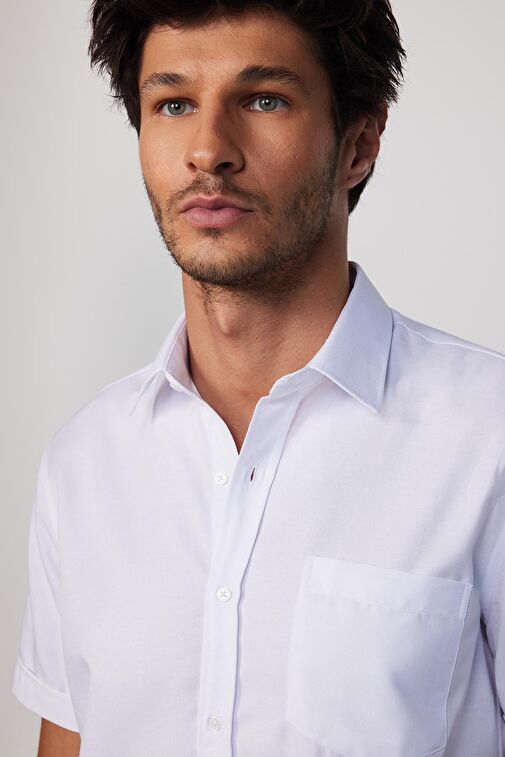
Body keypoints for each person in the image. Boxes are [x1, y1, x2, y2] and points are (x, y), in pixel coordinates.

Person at [11, 1, 505, 755]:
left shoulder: (486, 435)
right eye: (173, 104)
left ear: (358, 144)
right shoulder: (84, 463)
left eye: (264, 100)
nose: (208, 150)